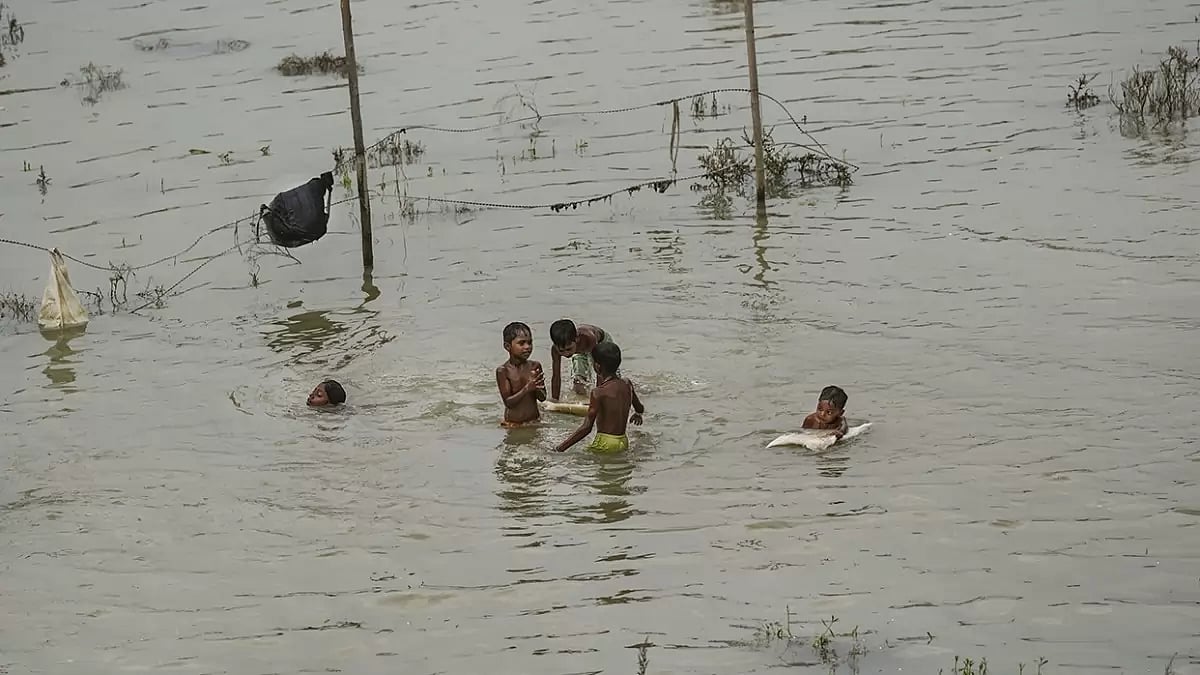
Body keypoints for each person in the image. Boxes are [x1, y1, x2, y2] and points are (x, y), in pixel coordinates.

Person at [553, 341, 644, 453]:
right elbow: (640, 408)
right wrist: (638, 414)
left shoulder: (598, 392)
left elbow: (587, 428)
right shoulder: (627, 384)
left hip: (605, 443)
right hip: (623, 441)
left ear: (597, 366)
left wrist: (560, 448)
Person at [496, 321, 546, 427]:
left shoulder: (535, 366)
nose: (527, 347)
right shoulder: (503, 371)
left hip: (534, 422)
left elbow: (543, 397)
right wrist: (527, 389)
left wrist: (536, 388)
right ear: (507, 346)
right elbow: (508, 403)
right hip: (513, 425)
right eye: (522, 343)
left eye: (530, 342)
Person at [549, 319, 614, 400]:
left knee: (608, 377)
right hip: (579, 350)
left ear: (576, 339)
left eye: (569, 349)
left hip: (602, 343)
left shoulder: (589, 338)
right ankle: (583, 400)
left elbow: (599, 372)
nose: (566, 354)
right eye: (561, 351)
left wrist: (598, 399)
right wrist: (555, 400)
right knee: (578, 381)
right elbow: (556, 376)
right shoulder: (555, 349)